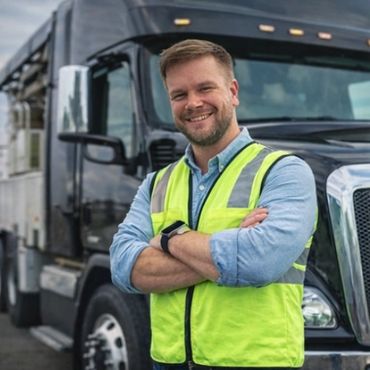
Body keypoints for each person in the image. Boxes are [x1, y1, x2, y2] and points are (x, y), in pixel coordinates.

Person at [110, 39, 317, 370]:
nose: (193, 103)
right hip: (169, 363)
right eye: (179, 95)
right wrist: (231, 242)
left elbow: (258, 262)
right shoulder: (156, 183)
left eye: (205, 88)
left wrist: (168, 238)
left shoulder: (283, 171)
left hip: (256, 362)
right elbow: (124, 268)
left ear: (233, 92)